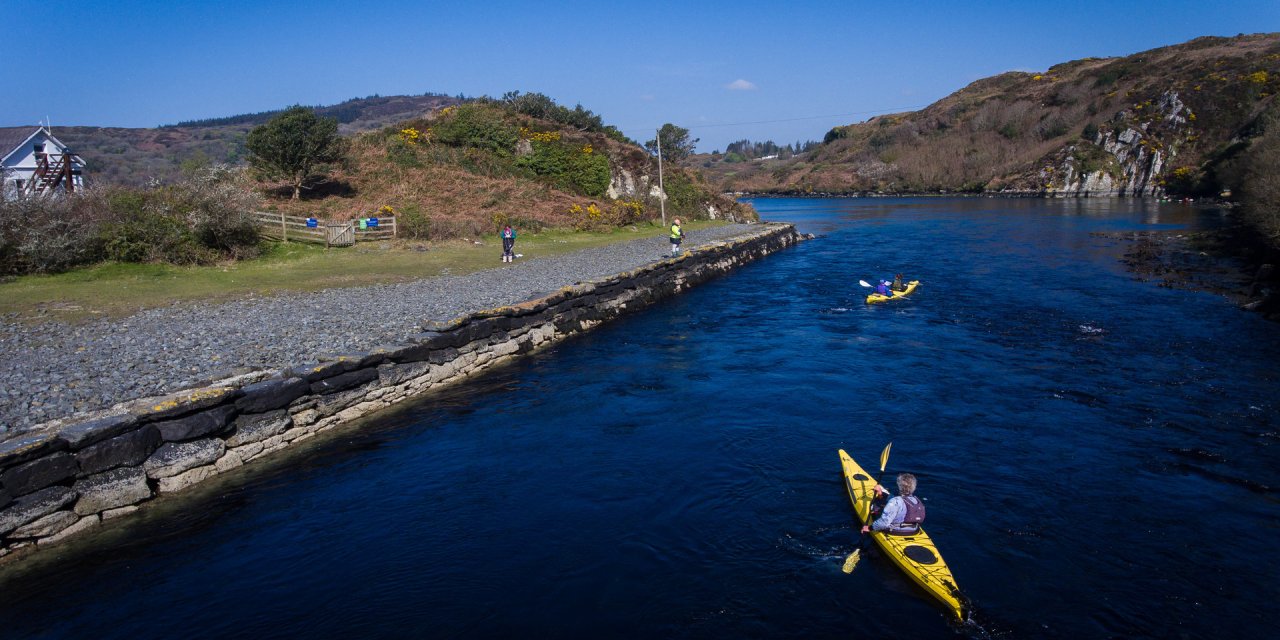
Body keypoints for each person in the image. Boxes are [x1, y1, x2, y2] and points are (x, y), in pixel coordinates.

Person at [860, 473, 926, 536]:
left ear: (899, 487)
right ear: (913, 487)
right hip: (914, 530)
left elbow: (884, 523)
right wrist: (881, 493)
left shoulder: (894, 502)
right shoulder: (916, 500)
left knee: (876, 508)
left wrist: (869, 528)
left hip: (894, 531)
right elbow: (898, 501)